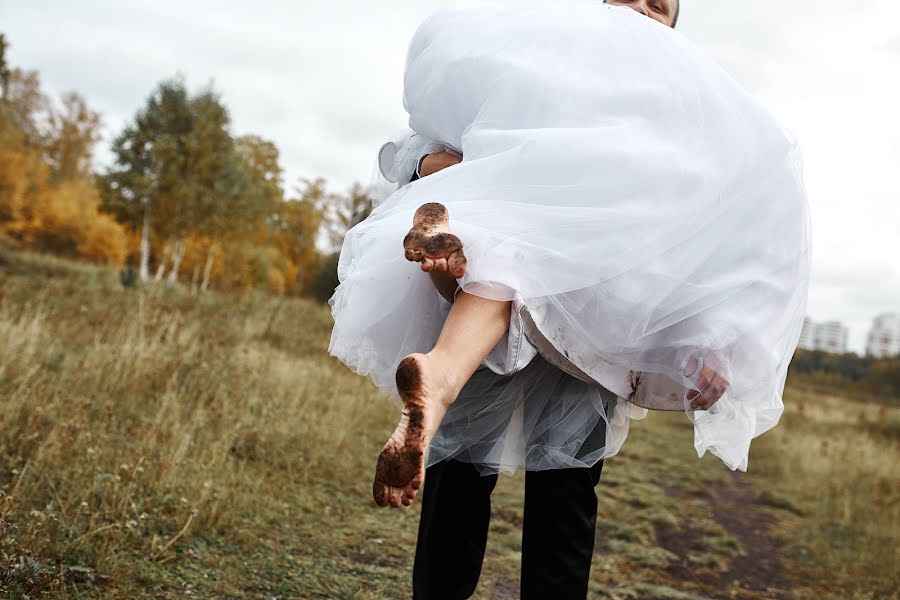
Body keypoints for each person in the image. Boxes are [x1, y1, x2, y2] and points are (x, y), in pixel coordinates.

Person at [331, 0, 809, 597]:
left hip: (595, 317)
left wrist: (717, 335)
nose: (638, 11)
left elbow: (720, 232)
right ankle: (449, 298)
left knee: (563, 500)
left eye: (656, 6)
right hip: (502, 292)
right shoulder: (535, 68)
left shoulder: (685, 117)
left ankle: (447, 329)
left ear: (673, 32)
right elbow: (412, 148)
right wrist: (443, 166)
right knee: (457, 480)